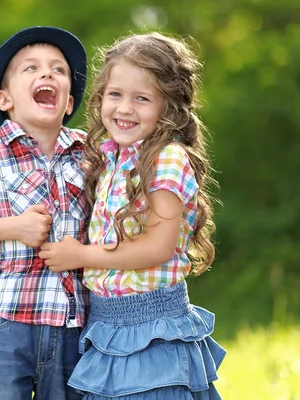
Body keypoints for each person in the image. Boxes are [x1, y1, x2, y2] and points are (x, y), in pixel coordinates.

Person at [39, 32, 226, 399]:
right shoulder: (111, 158)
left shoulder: (166, 158)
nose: (125, 108)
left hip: (151, 331)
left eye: (142, 98)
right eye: (115, 94)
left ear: (168, 107)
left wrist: (81, 255)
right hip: (106, 325)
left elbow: (157, 248)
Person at [0, 26, 90, 400]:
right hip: (10, 319)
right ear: (5, 98)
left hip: (75, 322)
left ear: (69, 103)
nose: (47, 74)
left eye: (58, 70)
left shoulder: (89, 154)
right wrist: (16, 227)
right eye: (31, 68)